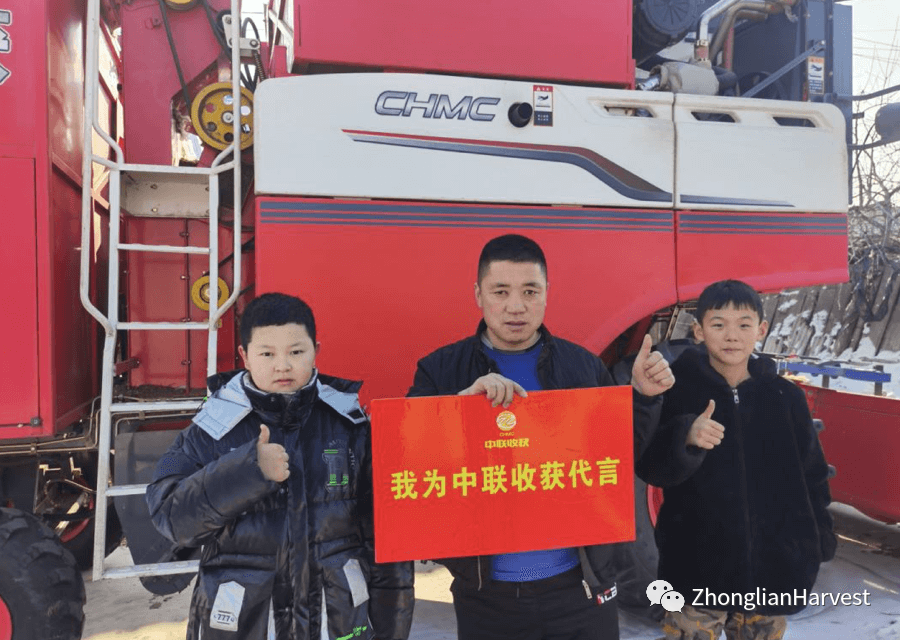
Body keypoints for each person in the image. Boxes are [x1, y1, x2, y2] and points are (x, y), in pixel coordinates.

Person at [407, 233, 675, 640]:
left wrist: (642, 399)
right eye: (501, 291)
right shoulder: (440, 371)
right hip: (486, 596)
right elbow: (408, 463)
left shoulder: (583, 369)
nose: (516, 306)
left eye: (530, 291)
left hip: (580, 589)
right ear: (478, 294)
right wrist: (458, 409)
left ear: (548, 293)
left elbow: (621, 460)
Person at [146, 292, 414, 640]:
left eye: (296, 352)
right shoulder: (209, 428)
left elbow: (389, 543)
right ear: (245, 355)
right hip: (243, 622)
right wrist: (247, 471)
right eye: (267, 354)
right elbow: (171, 518)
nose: (282, 366)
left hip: (338, 623)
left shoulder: (352, 426)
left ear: (316, 349)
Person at [636, 279, 836, 640]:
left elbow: (812, 475)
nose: (732, 335)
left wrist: (818, 539)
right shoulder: (676, 390)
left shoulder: (785, 397)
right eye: (718, 324)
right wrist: (687, 437)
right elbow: (651, 467)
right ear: (698, 331)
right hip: (697, 573)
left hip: (769, 574)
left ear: (761, 329)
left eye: (744, 324)